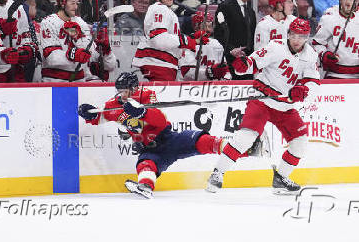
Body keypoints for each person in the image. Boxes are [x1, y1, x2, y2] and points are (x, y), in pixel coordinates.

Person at [77, 72, 259, 198]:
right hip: (150, 148)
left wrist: (141, 112)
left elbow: (160, 120)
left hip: (168, 139)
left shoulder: (147, 96)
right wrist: (90, 114)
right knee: (145, 164)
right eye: (120, 91)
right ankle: (146, 187)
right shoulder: (113, 105)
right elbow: (100, 117)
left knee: (204, 141)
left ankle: (247, 150)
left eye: (126, 91)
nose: (123, 95)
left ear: (134, 89)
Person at [206, 18, 320, 195]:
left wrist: (303, 91)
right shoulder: (275, 47)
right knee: (245, 138)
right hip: (262, 100)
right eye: (294, 35)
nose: (297, 39)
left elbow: (313, 83)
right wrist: (243, 66)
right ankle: (217, 173)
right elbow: (250, 64)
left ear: (307, 37)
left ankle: (281, 178)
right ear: (288, 34)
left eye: (302, 36)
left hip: (285, 107)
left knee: (300, 143)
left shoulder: (310, 55)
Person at [132, 0, 205, 81]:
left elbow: (170, 38)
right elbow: (159, 39)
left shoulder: (165, 10)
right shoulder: (160, 9)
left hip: (162, 63)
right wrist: (187, 40)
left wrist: (191, 38)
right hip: (158, 63)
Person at [39, 0, 116, 82]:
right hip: (54, 80)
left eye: (77, 3)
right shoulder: (49, 22)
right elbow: (51, 58)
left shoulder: (79, 21)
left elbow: (89, 53)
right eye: (72, 3)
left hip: (79, 79)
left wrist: (79, 38)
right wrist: (73, 55)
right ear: (62, 3)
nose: (75, 7)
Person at [312, 0, 359, 79]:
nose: (348, 2)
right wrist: (324, 55)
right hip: (335, 74)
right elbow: (317, 43)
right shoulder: (330, 17)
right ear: (340, 0)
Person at [214, 0, 256, 80]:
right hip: (230, 59)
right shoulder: (225, 7)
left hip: (248, 59)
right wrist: (231, 50)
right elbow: (219, 33)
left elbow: (253, 34)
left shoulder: (251, 11)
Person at [178, 11, 230, 81]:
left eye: (211, 21)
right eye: (206, 21)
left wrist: (225, 79)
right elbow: (186, 73)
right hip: (191, 88)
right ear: (196, 26)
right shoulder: (188, 42)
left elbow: (225, 69)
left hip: (215, 87)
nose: (210, 23)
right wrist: (209, 72)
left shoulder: (216, 43)